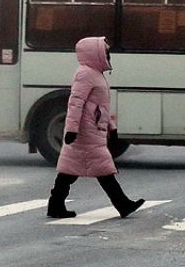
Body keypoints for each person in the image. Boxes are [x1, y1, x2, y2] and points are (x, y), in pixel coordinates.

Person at [46, 36, 145, 219]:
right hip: (86, 131)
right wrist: (71, 130)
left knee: (70, 170)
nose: (108, 54)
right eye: (105, 51)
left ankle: (55, 205)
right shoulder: (85, 74)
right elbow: (76, 103)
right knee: (102, 168)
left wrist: (111, 127)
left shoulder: (94, 74)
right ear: (95, 53)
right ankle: (123, 204)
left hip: (91, 129)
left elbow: (100, 107)